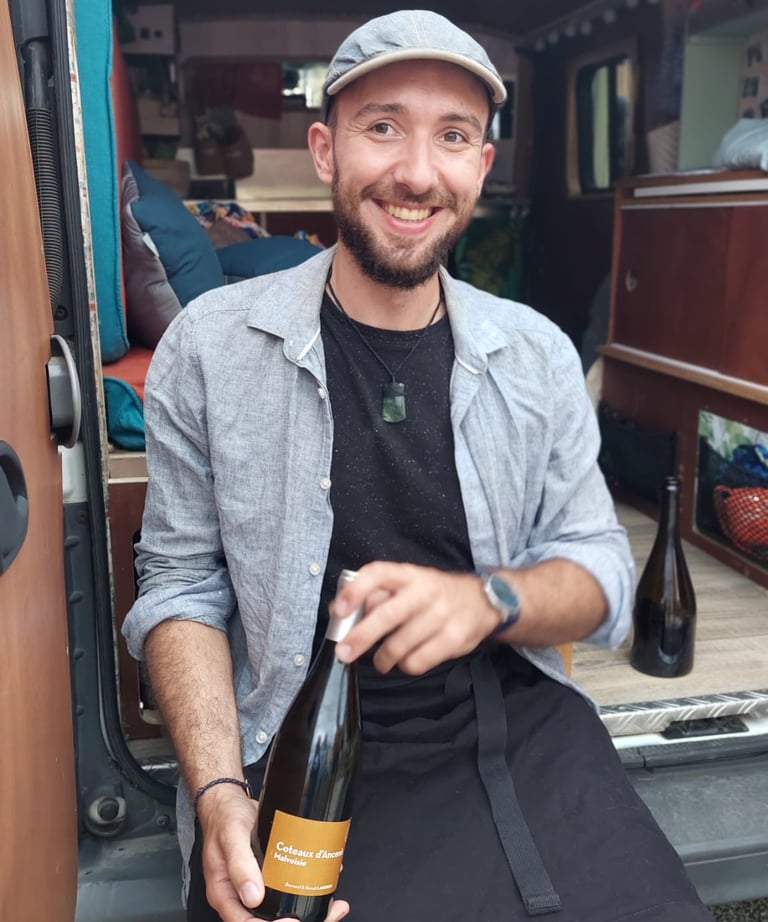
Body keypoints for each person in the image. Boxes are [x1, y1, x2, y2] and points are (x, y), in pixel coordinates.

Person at [124, 10, 715, 922]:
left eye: (453, 136)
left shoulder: (536, 353)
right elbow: (179, 586)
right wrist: (216, 791)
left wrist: (488, 600)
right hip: (302, 738)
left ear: (482, 164)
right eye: (383, 126)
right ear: (325, 150)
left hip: (518, 722)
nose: (417, 172)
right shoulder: (211, 347)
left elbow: (598, 570)